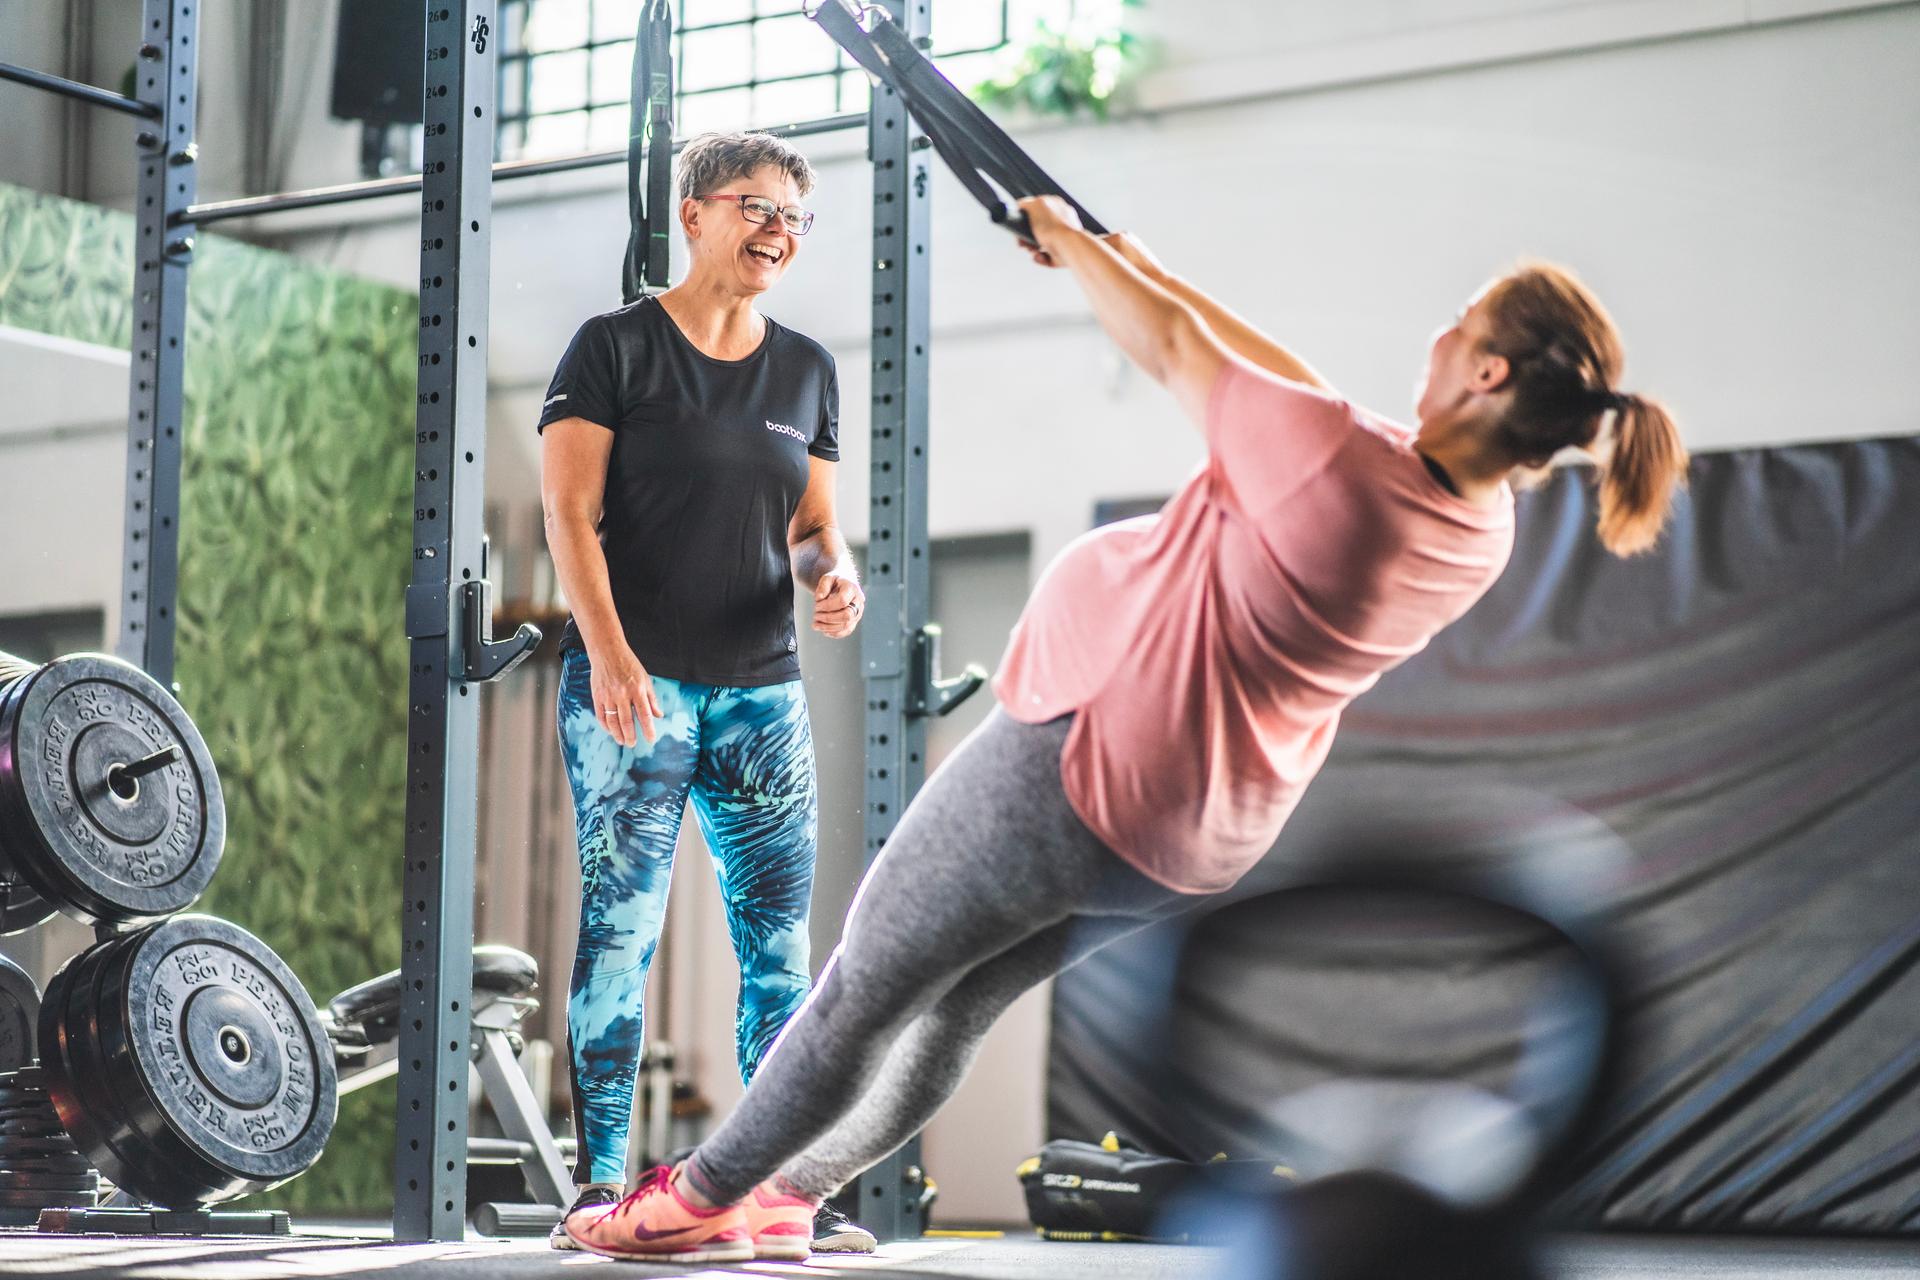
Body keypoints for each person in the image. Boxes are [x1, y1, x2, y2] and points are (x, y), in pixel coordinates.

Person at [561, 193, 1690, 1263]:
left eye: (1462, 328)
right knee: (962, 1005)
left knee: (865, 984)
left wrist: (1078, 248)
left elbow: (1175, 353)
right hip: (1190, 842)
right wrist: (1137, 265)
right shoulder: (1474, 518)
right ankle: (788, 1196)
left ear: (1488, 370)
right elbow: (1297, 388)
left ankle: (696, 1198)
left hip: (1077, 770)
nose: (1439, 337)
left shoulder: (1333, 469)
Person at [537, 131, 876, 1255]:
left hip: (761, 700)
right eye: (755, 205)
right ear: (694, 214)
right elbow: (567, 516)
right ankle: (595, 1190)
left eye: (794, 215)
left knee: (782, 954)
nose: (777, 229)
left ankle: (776, 1188)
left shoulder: (807, 370)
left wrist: (836, 578)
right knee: (622, 937)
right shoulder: (615, 349)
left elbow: (814, 525)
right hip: (633, 691)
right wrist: (612, 655)